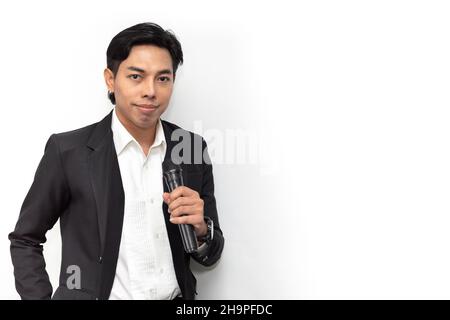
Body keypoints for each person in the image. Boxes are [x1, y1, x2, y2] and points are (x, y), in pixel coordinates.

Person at [8, 22, 224, 300]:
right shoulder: (68, 151)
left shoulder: (192, 148)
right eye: (136, 76)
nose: (151, 91)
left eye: (163, 78)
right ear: (111, 79)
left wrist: (203, 231)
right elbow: (25, 239)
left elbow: (212, 254)